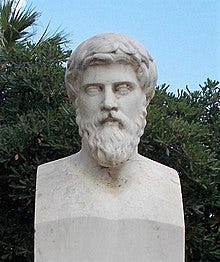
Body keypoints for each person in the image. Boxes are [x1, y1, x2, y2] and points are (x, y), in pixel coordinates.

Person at [35, 33, 184, 262]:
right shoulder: (49, 180)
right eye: (94, 89)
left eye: (122, 88)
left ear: (144, 98)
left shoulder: (167, 184)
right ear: (77, 100)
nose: (108, 103)